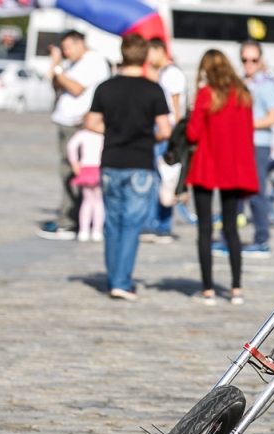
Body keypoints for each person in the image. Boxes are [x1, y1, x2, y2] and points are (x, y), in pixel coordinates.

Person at [85, 34, 171, 301]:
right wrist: (148, 137)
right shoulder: (153, 90)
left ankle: (114, 278)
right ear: (146, 57)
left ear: (122, 55)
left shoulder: (106, 88)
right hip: (139, 162)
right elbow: (165, 130)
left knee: (112, 223)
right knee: (132, 225)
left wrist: (112, 132)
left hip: (111, 160)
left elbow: (91, 122)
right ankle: (122, 281)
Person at [186, 49, 259, 307]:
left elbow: (193, 134)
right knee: (232, 229)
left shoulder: (207, 93)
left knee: (205, 228)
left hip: (207, 164)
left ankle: (208, 290)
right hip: (234, 167)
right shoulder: (242, 94)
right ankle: (236, 288)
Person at [39, 29, 110, 240]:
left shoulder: (93, 61)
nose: (66, 52)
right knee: (66, 172)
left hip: (77, 125)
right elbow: (57, 84)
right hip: (65, 122)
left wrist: (59, 67)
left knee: (74, 173)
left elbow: (76, 88)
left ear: (79, 43)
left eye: (68, 47)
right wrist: (57, 67)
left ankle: (71, 221)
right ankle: (69, 217)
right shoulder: (74, 63)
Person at [142, 37, 187, 244]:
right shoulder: (164, 74)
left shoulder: (172, 74)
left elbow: (176, 108)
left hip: (167, 130)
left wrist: (173, 138)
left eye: (150, 53)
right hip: (162, 127)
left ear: (160, 51)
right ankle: (154, 222)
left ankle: (161, 224)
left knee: (164, 179)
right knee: (158, 178)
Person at [238, 40, 274, 258]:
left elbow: (273, 117)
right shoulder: (242, 83)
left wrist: (245, 123)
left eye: (253, 60)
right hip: (240, 143)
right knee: (235, 192)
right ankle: (231, 237)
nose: (249, 64)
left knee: (255, 193)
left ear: (260, 60)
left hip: (259, 144)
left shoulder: (266, 85)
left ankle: (262, 240)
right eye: (245, 60)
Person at [66, 127, 104, 242]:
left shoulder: (83, 133)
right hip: (99, 167)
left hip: (86, 168)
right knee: (99, 202)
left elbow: (71, 146)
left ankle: (84, 231)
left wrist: (74, 162)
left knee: (87, 201)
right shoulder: (103, 133)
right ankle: (97, 231)